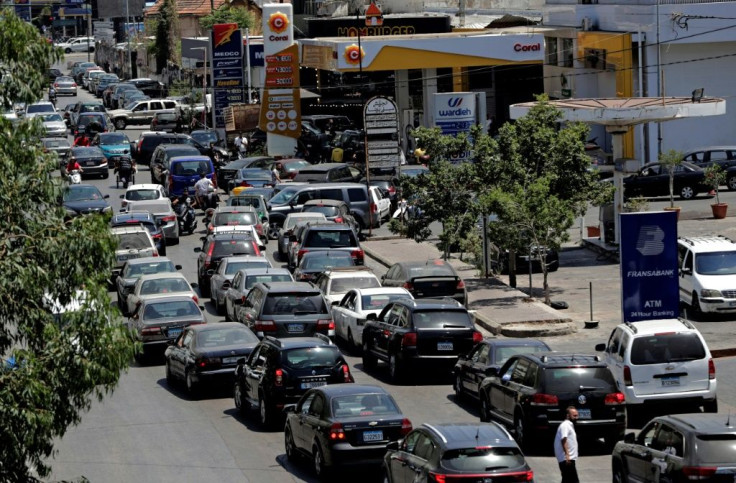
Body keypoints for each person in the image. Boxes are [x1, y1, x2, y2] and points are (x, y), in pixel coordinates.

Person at [554, 406, 579, 483]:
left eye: (577, 415)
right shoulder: (565, 425)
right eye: (574, 415)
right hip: (567, 459)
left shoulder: (569, 425)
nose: (576, 417)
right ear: (568, 415)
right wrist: (567, 455)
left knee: (567, 480)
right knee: (573, 480)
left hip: (568, 459)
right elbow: (563, 439)